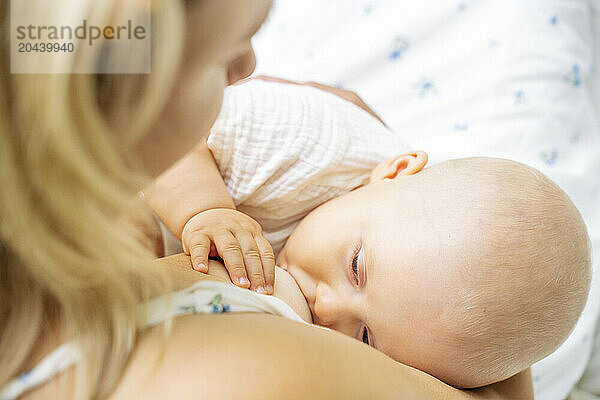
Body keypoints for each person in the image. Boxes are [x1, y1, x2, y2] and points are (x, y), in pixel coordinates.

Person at [0, 0, 536, 399]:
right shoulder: (262, 360)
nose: (252, 73)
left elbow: (38, 39)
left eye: (369, 335)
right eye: (225, 56)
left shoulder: (32, 43)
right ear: (132, 82)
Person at [147, 79, 592, 388]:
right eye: (356, 267)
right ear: (394, 171)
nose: (327, 306)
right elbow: (163, 124)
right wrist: (204, 208)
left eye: (365, 338)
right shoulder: (305, 145)